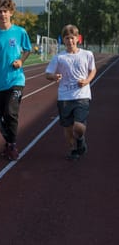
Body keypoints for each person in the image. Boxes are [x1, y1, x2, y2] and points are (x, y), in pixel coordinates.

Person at [0, 0, 32, 161]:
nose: (3, 14)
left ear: (11, 13)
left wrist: (20, 61)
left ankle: (12, 145)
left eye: (5, 11)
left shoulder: (20, 32)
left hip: (16, 80)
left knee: (11, 112)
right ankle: (9, 142)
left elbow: (27, 50)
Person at [45, 24, 96, 160]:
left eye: (72, 38)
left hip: (82, 95)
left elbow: (93, 70)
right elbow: (48, 74)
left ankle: (80, 139)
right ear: (63, 40)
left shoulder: (87, 54)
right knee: (68, 127)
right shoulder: (59, 57)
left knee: (78, 127)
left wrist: (87, 81)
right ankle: (73, 149)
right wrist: (54, 77)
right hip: (64, 97)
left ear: (78, 38)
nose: (70, 41)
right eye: (67, 38)